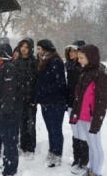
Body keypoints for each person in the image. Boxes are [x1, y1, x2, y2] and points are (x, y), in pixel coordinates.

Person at [70, 44, 107, 176]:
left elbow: (101, 101)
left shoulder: (100, 75)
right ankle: (91, 170)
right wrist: (76, 114)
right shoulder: (84, 72)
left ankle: (95, 172)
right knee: (91, 145)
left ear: (90, 57)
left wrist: (97, 120)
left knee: (96, 147)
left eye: (81, 57)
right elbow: (79, 97)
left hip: (92, 117)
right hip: (83, 116)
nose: (78, 60)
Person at [0, 43, 21, 176]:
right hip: (0, 113)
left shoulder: (8, 68)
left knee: (10, 142)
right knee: (7, 141)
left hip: (8, 115)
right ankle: (7, 164)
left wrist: (3, 112)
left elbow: (8, 93)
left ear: (2, 55)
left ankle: (11, 169)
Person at [35, 39, 67, 167]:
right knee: (50, 129)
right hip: (46, 102)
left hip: (56, 102)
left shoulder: (55, 62)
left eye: (39, 49)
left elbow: (60, 83)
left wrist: (43, 90)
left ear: (46, 49)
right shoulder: (43, 62)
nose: (37, 52)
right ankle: (52, 151)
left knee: (56, 129)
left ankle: (57, 154)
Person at [64, 40, 89, 174]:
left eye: (74, 51)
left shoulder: (85, 67)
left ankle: (84, 161)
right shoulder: (69, 65)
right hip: (71, 103)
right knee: (75, 132)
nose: (71, 53)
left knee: (83, 133)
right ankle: (77, 158)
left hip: (82, 105)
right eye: (70, 51)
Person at [13, 38, 37, 160]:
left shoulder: (34, 62)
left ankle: (31, 147)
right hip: (19, 100)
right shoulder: (16, 62)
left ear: (30, 49)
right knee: (22, 125)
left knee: (31, 125)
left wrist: (34, 98)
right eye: (22, 46)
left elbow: (37, 83)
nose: (24, 49)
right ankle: (23, 146)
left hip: (31, 100)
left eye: (26, 47)